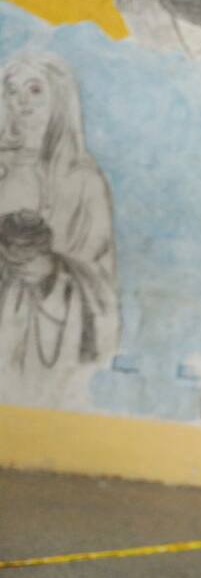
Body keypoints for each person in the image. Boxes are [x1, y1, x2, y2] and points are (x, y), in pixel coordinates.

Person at [0, 52, 120, 407]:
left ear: (59, 99)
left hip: (47, 331)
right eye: (11, 90)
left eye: (35, 90)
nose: (21, 101)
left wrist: (53, 273)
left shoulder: (84, 181)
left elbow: (100, 278)